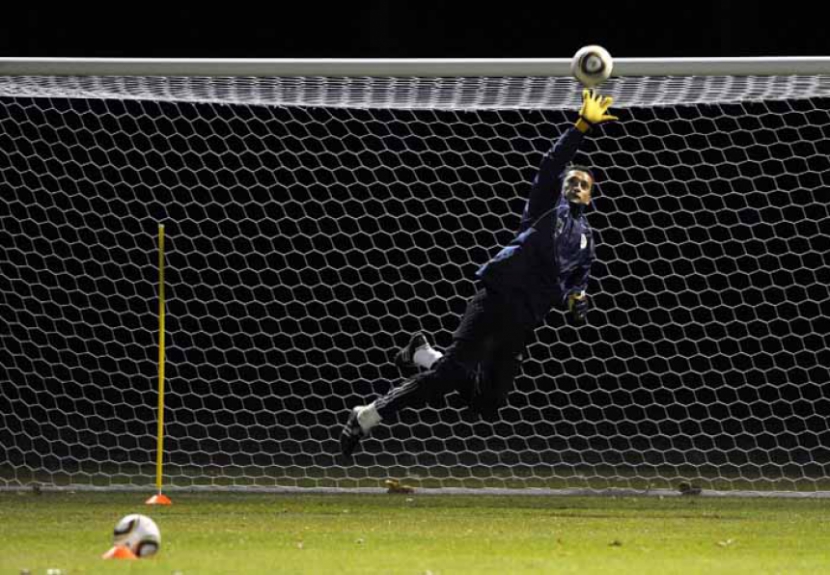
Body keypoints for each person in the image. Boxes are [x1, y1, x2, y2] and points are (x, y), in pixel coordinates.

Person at [341, 89, 618, 459]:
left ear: (590, 196)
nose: (576, 186)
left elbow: (577, 280)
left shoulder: (587, 239)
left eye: (583, 184)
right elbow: (552, 163)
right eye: (571, 181)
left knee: (487, 404)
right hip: (498, 296)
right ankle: (366, 416)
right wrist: (582, 126)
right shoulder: (546, 209)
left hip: (525, 319)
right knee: (450, 376)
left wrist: (577, 299)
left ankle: (423, 354)